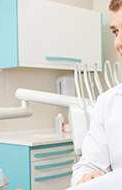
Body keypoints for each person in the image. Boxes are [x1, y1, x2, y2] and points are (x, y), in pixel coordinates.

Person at [71, 0, 122, 186]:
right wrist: (88, 178)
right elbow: (87, 166)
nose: (118, 42)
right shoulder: (107, 103)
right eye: (115, 32)